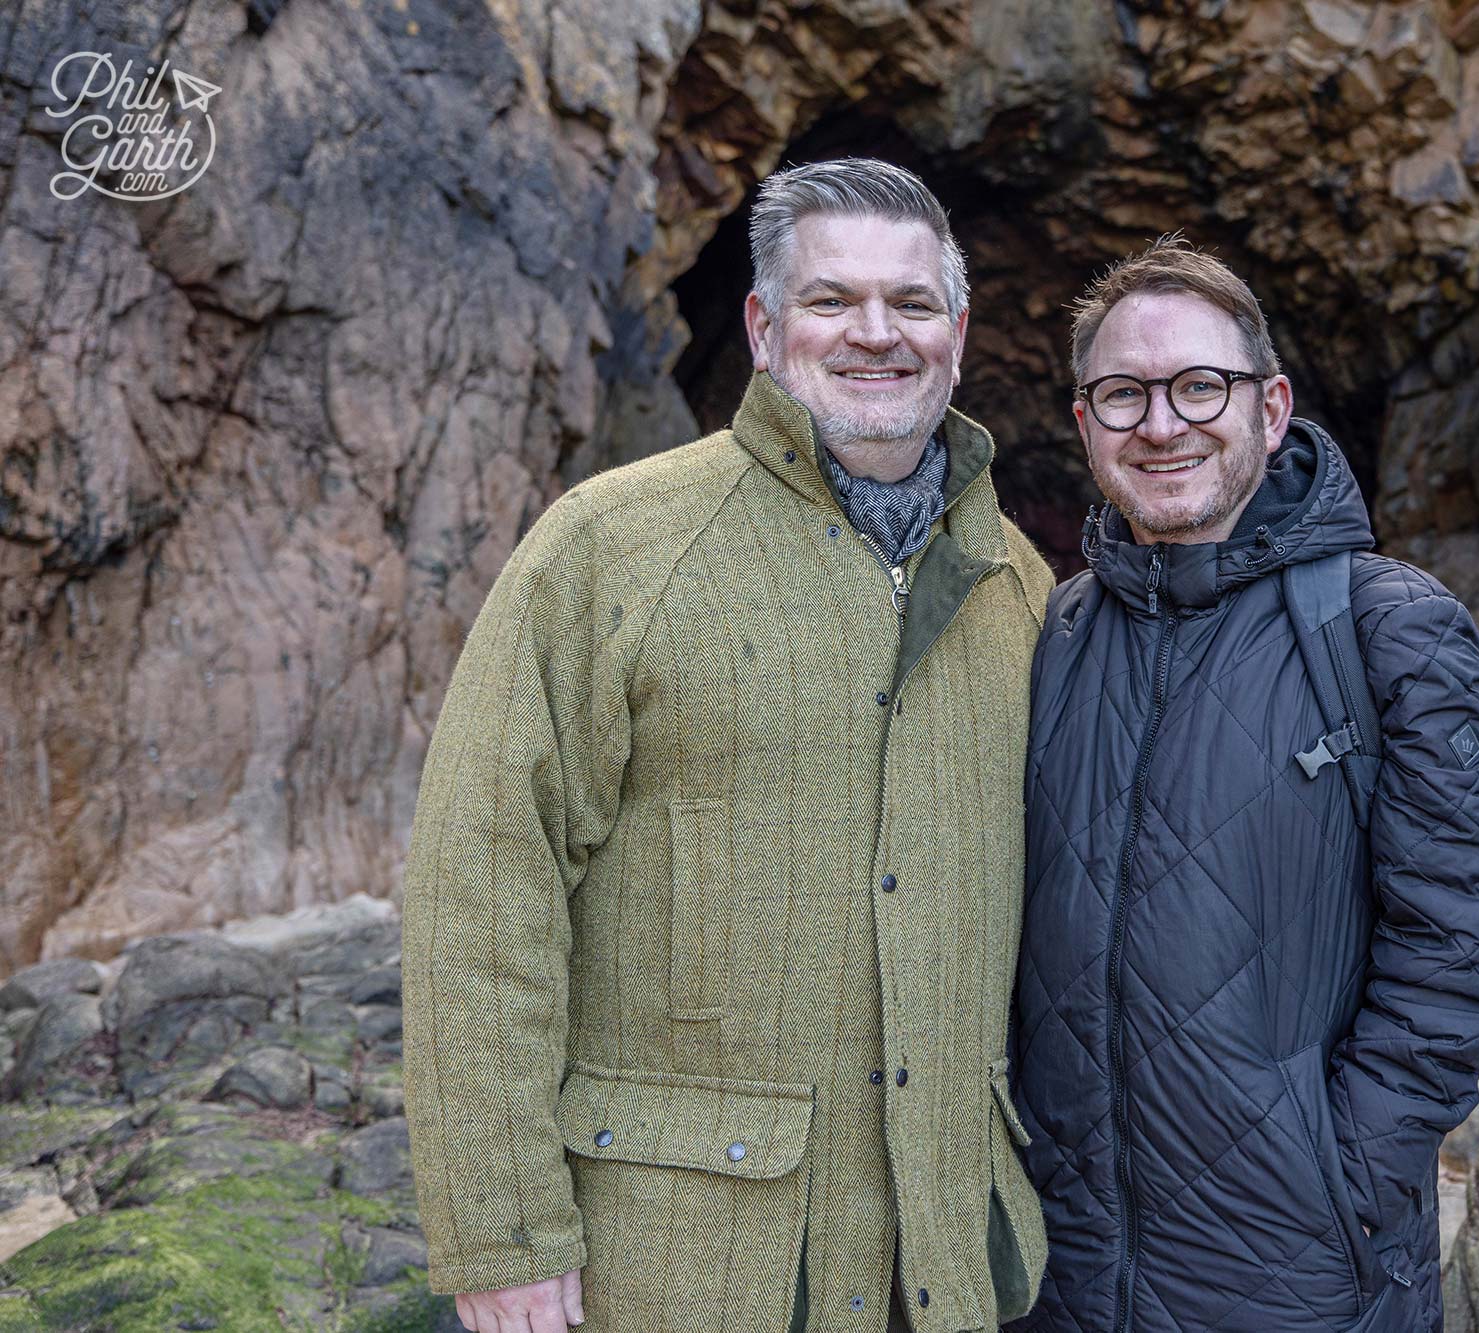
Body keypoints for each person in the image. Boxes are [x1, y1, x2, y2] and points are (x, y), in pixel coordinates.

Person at [402, 157, 1053, 1333]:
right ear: (762, 326)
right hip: (680, 1266)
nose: (876, 334)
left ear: (956, 337)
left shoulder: (1024, 588)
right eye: (830, 300)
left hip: (951, 1257)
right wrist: (500, 1234)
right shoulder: (608, 547)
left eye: (911, 304)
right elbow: (480, 892)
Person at [1008, 237, 1479, 1332]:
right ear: (1082, 423)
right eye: (1121, 395)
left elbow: (1468, 940)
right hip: (1061, 1270)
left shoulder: (1390, 626)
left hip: (1300, 1268)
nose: (1161, 424)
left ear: (1270, 405)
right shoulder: (1053, 633)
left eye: (1199, 385)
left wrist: (1345, 1170)